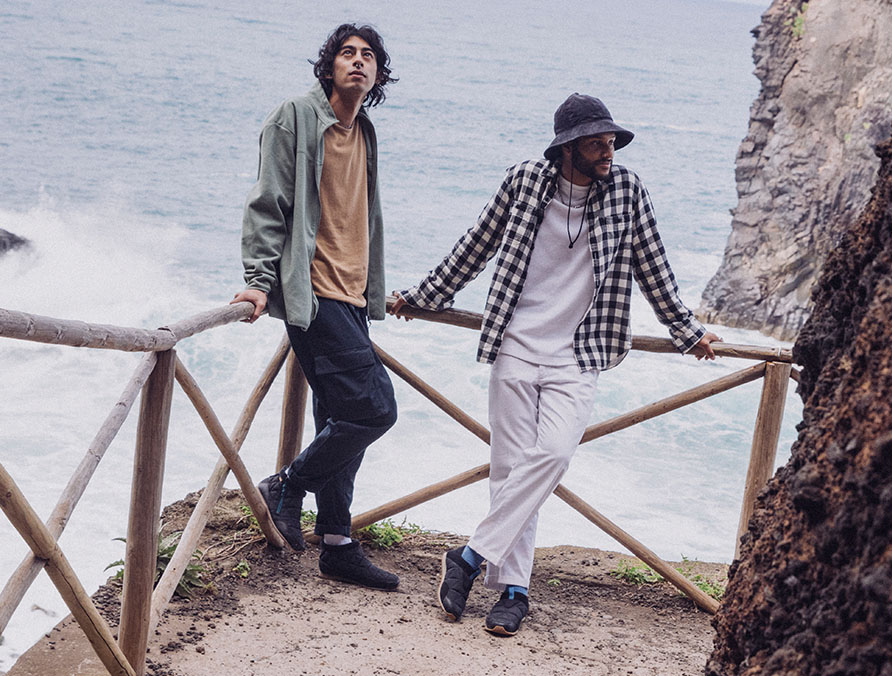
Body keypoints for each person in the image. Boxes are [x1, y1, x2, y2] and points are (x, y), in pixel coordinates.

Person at [390, 93, 721, 634]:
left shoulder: (627, 192)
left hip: (580, 353)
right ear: (568, 148)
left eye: (611, 139)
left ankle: (470, 558)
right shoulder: (524, 183)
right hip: (516, 345)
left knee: (552, 454)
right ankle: (513, 592)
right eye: (596, 141)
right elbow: (475, 247)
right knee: (509, 469)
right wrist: (424, 295)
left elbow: (653, 268)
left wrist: (687, 332)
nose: (608, 148)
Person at [231, 23, 400, 590]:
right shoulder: (295, 118)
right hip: (313, 293)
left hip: (352, 295)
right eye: (347, 54)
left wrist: (382, 292)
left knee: (340, 416)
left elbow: (358, 216)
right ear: (329, 67)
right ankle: (287, 485)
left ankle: (336, 542)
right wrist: (257, 280)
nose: (357, 61)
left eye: (368, 56)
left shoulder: (365, 132)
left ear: (377, 74)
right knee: (375, 409)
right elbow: (268, 201)